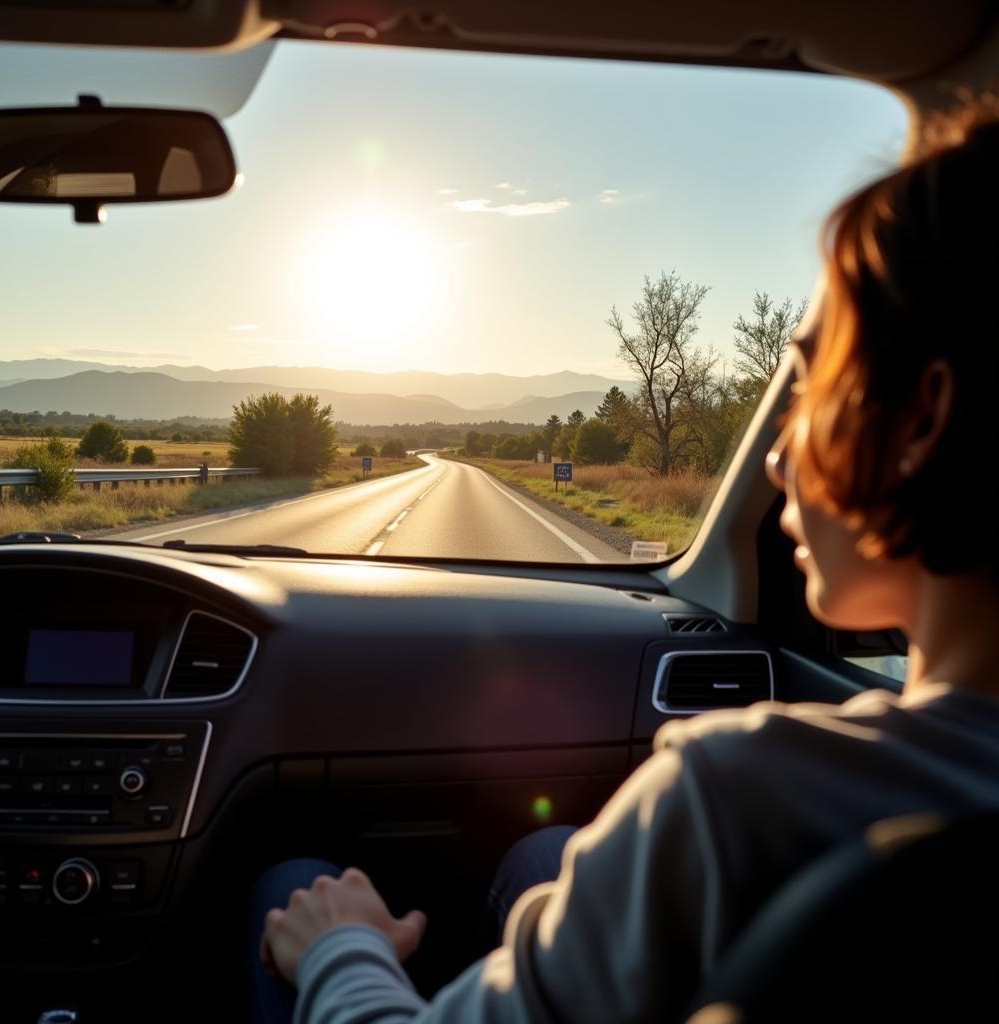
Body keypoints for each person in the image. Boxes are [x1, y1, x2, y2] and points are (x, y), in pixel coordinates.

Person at [251, 101, 999, 1023]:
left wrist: (341, 951)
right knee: (545, 860)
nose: (776, 457)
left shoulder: (732, 805)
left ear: (922, 418)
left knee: (290, 885)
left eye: (810, 388)